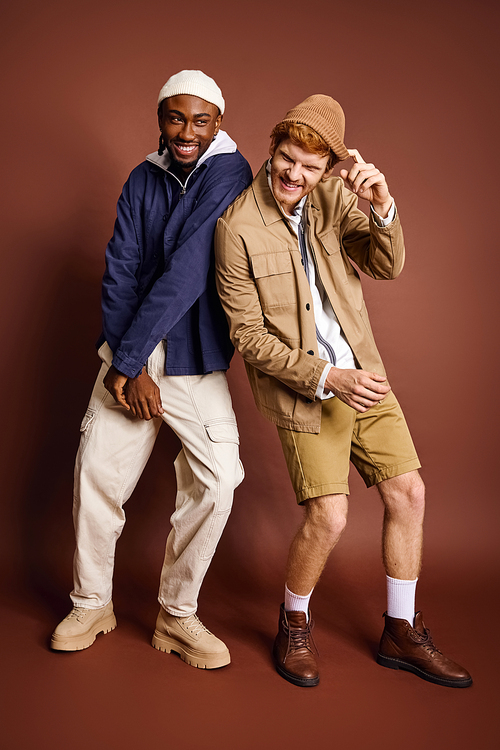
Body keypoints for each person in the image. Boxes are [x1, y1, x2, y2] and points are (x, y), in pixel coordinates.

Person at [214, 94, 472, 688]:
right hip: (309, 391)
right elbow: (249, 337)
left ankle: (401, 631)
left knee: (409, 493)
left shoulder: (334, 199)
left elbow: (388, 266)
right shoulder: (237, 228)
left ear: (328, 168)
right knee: (329, 516)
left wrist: (382, 207)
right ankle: (293, 621)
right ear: (272, 148)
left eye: (309, 166)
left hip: (366, 376)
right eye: (285, 158)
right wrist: (328, 377)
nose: (292, 175)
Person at [51, 70, 252, 670]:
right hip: (129, 354)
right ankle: (92, 603)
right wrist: (125, 362)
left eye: (200, 120)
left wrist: (133, 359)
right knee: (96, 476)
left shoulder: (231, 173)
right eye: (175, 118)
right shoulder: (143, 177)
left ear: (218, 121)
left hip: (191, 358)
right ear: (160, 117)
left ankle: (177, 614)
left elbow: (190, 270)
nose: (186, 132)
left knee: (217, 483)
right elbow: (120, 269)